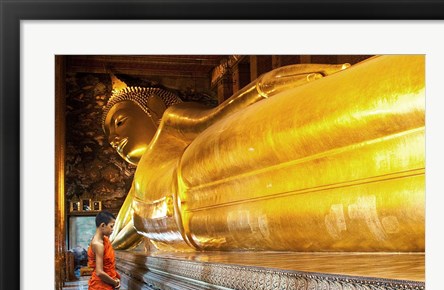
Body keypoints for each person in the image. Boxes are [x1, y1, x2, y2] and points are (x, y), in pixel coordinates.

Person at [103, 55, 425, 254]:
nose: (115, 137)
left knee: (314, 128)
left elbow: (214, 116)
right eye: (109, 135)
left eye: (120, 122)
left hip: (203, 162)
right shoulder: (137, 191)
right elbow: (122, 236)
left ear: (154, 108)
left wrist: (262, 88)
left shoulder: (171, 125)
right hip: (205, 219)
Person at [87, 210, 122, 290]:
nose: (113, 229)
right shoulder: (98, 244)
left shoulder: (104, 240)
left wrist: (114, 280)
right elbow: (100, 272)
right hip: (101, 289)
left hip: (106, 286)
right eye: (111, 226)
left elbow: (108, 267)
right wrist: (115, 282)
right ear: (103, 225)